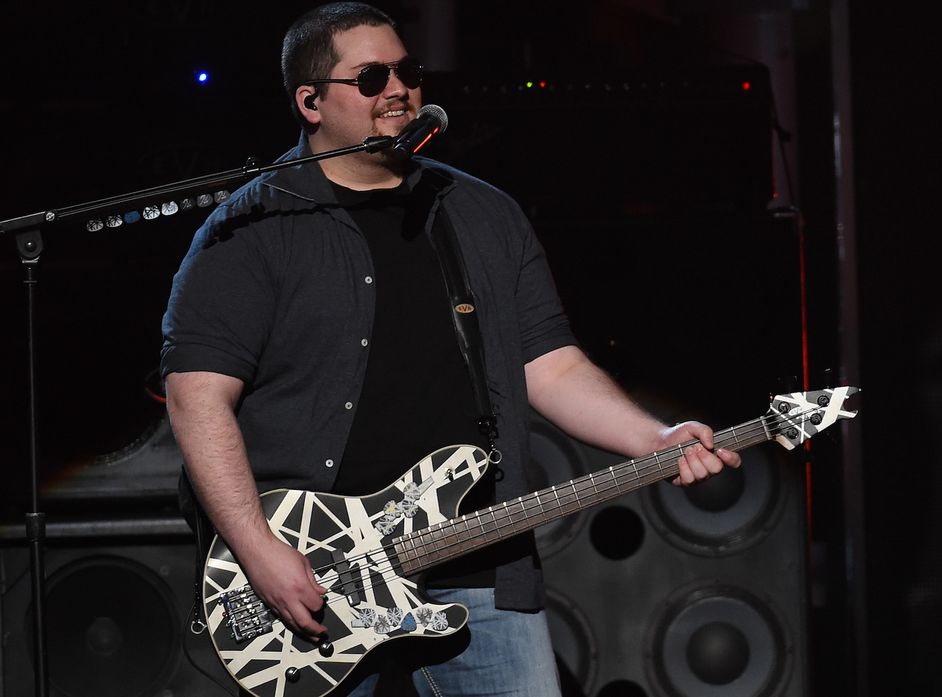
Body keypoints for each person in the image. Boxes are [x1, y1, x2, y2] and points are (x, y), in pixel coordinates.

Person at [160, 3, 741, 695]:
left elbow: (551, 365)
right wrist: (259, 552)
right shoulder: (251, 227)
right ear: (309, 102)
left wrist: (656, 436)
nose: (399, 89)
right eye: (371, 77)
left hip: (480, 565)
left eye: (407, 71)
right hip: (315, 574)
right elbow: (196, 397)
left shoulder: (483, 213)